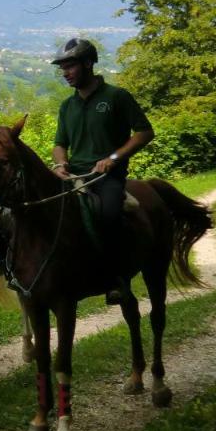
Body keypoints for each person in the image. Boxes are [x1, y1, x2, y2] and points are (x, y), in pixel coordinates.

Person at [50, 37, 154, 304]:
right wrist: (61, 164)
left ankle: (116, 278)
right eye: (62, 68)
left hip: (108, 176)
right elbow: (60, 144)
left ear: (88, 64)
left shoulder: (117, 97)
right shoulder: (67, 106)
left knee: (107, 213)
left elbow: (144, 132)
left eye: (70, 66)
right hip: (75, 175)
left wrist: (114, 157)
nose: (65, 73)